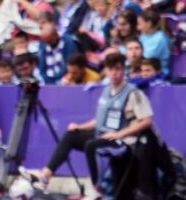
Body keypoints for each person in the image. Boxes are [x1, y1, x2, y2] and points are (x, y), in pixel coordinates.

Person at [20, 53, 165, 199]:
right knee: (70, 136)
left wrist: (118, 134)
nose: (114, 73)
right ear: (107, 71)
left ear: (123, 70)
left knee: (92, 145)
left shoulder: (134, 93)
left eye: (118, 69)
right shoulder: (106, 91)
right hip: (103, 134)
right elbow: (99, 121)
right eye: (111, 69)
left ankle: (96, 189)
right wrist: (80, 127)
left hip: (123, 141)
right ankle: (45, 177)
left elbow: (147, 121)